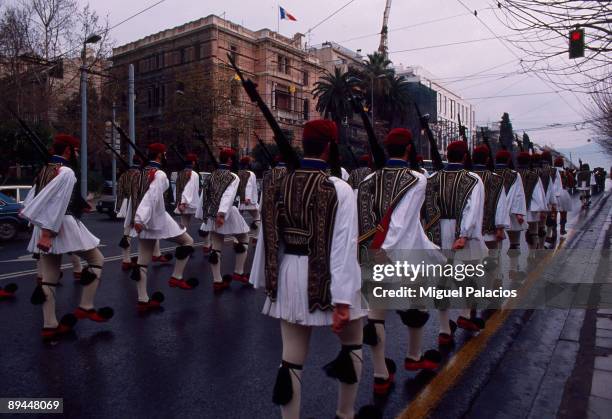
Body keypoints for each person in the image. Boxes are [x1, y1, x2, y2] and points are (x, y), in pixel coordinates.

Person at [250, 120, 365, 419]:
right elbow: (343, 246)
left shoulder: (276, 183)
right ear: (330, 146)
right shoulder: (339, 188)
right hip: (328, 277)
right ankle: (345, 413)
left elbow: (267, 238)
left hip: (289, 274)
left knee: (291, 360)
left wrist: (267, 281)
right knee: (353, 345)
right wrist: (342, 300)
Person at [358, 128, 442, 396]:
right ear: (408, 149)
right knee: (415, 308)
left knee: (376, 317)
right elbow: (406, 221)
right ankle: (414, 356)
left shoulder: (368, 180)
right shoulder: (418, 179)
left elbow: (366, 222)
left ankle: (381, 372)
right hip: (403, 254)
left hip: (374, 254)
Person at [21, 133, 113, 340]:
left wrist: (36, 227)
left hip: (44, 226)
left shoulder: (44, 170)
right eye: (76, 150)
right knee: (97, 259)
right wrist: (47, 233)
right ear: (68, 150)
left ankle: (49, 324)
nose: (77, 154)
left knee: (49, 278)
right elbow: (56, 204)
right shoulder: (66, 172)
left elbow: (33, 201)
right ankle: (86, 305)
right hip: (58, 225)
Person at [422, 140, 487, 345]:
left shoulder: (432, 178)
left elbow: (425, 208)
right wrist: (464, 234)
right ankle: (466, 315)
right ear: (465, 156)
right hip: (461, 234)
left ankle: (444, 330)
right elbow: (472, 207)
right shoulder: (472, 179)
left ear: (447, 155)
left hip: (437, 232)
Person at [130, 143, 198, 312]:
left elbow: (137, 197)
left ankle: (143, 299)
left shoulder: (139, 173)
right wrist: (140, 218)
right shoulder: (158, 174)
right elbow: (151, 197)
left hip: (144, 219)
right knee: (188, 242)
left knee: (143, 261)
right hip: (154, 218)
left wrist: (136, 219)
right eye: (165, 153)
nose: (166, 156)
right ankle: (177, 276)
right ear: (160, 155)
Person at [197, 148, 250, 292]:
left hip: (211, 213)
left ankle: (217, 280)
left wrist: (204, 215)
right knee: (244, 238)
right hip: (226, 213)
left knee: (216, 247)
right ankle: (239, 272)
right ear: (230, 160)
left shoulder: (211, 175)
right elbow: (228, 195)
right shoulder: (233, 177)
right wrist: (221, 214)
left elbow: (204, 197)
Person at [515, 152, 547, 250]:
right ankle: (532, 253)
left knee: (523, 233)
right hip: (531, 208)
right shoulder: (533, 176)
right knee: (534, 231)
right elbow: (538, 195)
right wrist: (542, 209)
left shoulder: (514, 174)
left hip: (517, 210)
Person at [174, 153, 201, 229]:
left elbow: (177, 188)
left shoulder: (180, 173)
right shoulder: (194, 174)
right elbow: (189, 189)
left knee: (184, 223)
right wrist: (184, 203)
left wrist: (178, 201)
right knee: (203, 220)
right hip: (189, 203)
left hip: (182, 201)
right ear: (193, 162)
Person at [237, 156, 260, 231]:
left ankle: (237, 237)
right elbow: (248, 186)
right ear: (248, 164)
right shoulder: (251, 173)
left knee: (239, 218)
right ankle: (256, 235)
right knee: (257, 217)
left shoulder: (239, 173)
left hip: (240, 200)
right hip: (249, 201)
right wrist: (248, 198)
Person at [553, 157, 573, 236]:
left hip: (553, 193)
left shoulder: (552, 171)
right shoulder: (565, 172)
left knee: (553, 213)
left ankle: (553, 230)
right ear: (562, 164)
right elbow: (571, 183)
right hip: (563, 193)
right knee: (563, 212)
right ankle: (562, 229)